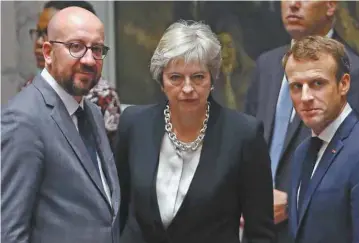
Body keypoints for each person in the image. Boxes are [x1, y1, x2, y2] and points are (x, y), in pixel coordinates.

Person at [116, 20, 275, 243]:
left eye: (198, 77)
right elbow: (120, 210)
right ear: (161, 81)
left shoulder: (244, 135)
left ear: (212, 79)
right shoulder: (133, 123)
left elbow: (261, 232)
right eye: (176, 78)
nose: (188, 88)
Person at [243, 1, 359, 242]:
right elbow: (249, 140)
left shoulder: (358, 75)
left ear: (331, 5)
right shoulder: (266, 65)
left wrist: (292, 200)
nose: (293, 5)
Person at [1, 7, 120, 243]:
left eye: (96, 49)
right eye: (75, 47)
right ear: (47, 52)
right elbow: (8, 232)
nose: (88, 59)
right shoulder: (23, 119)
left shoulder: (92, 112)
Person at [284, 35, 359, 243]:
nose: (305, 97)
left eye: (317, 83)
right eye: (296, 86)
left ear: (344, 84)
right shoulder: (303, 152)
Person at [24, 0, 121, 151]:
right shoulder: (27, 93)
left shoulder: (100, 97)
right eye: (38, 33)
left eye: (47, 33)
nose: (39, 42)